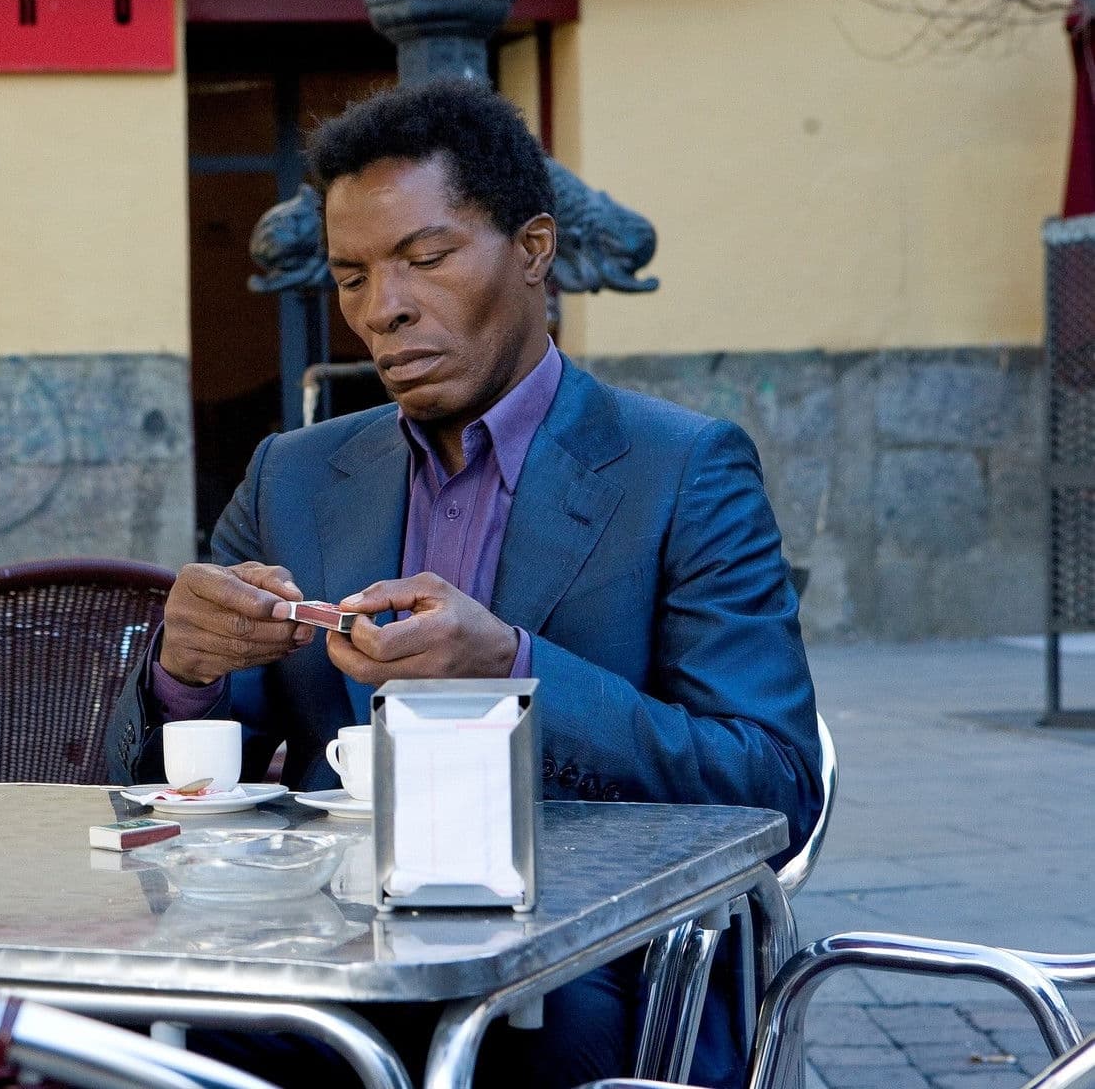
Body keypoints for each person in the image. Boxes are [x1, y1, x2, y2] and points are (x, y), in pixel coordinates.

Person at [107, 81, 823, 1088]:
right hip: (320, 962)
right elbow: (155, 794)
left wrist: (514, 669)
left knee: (518, 1039)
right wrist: (183, 673)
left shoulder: (682, 470)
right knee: (100, 1029)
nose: (382, 309)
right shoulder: (292, 477)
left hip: (589, 967)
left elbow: (775, 784)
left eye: (427, 258)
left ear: (533, 250)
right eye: (351, 276)